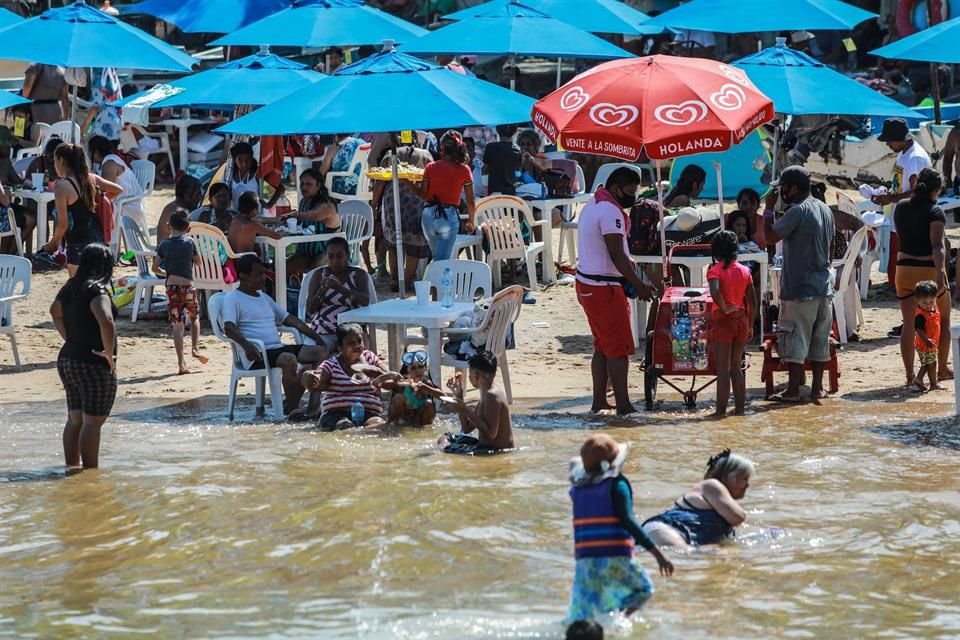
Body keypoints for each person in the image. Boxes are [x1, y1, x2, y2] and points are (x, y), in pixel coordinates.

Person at [566, 434, 674, 623]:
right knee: (644, 590)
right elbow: (628, 521)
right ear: (614, 463)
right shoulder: (617, 484)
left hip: (585, 559)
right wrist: (659, 555)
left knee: (587, 610)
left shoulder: (578, 489)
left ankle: (598, 628)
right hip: (615, 555)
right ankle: (618, 624)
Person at [575, 167, 654, 414]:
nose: (633, 197)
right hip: (603, 288)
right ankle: (624, 405)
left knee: (602, 346)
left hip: (587, 284)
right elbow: (617, 255)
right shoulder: (610, 212)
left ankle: (599, 401)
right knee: (618, 349)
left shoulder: (593, 204)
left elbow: (621, 256)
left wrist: (642, 279)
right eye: (630, 192)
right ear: (617, 188)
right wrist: (639, 285)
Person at [221, 254, 329, 417]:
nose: (263, 278)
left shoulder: (264, 298)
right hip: (257, 353)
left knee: (321, 353)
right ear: (243, 276)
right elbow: (229, 328)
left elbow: (290, 319)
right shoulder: (232, 298)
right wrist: (247, 345)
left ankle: (313, 405)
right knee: (288, 359)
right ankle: (293, 409)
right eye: (258, 274)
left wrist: (316, 337)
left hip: (277, 349)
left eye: (263, 273)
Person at [762, 166, 835, 403]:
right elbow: (832, 247)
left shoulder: (796, 211)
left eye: (783, 188)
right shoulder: (825, 209)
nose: (782, 192)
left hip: (800, 288)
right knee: (819, 340)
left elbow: (770, 238)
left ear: (793, 188)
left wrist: (768, 209)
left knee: (795, 340)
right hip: (824, 287)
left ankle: (793, 390)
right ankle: (817, 389)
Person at [49, 243, 118, 469]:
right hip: (93, 362)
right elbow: (106, 320)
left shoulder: (71, 286)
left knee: (75, 419)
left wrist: (69, 337)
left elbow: (54, 311)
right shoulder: (98, 290)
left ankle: (71, 468)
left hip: (68, 358)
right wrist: (109, 353)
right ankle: (89, 475)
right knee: (93, 423)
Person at [893, 168, 952, 385]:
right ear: (935, 191)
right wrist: (941, 273)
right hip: (927, 268)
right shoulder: (935, 212)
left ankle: (909, 376)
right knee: (943, 320)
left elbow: (902, 235)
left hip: (904, 269)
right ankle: (942, 369)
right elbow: (937, 246)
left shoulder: (900, 207)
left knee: (909, 324)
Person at [872, 117, 933, 316]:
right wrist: (888, 194)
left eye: (890, 140)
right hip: (901, 218)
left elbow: (917, 191)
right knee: (899, 270)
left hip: (912, 221)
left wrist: (891, 198)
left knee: (908, 273)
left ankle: (914, 317)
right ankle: (908, 316)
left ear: (900, 138)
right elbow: (903, 185)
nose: (888, 144)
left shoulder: (914, 158)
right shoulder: (904, 154)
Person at [642, 449, 754, 549]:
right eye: (744, 478)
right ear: (727, 476)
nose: (747, 485)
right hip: (663, 530)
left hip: (664, 533)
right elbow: (738, 517)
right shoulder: (711, 485)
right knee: (693, 555)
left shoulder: (718, 502)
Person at [43, 143, 123, 276]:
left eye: (55, 160)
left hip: (78, 245)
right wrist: (97, 201)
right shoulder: (91, 178)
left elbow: (63, 224)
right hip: (99, 241)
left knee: (78, 289)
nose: (54, 164)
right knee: (96, 288)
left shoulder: (62, 186)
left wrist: (52, 243)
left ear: (61, 160)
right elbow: (118, 190)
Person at [301, 323, 389, 430]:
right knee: (344, 427)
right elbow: (316, 378)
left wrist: (376, 372)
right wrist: (307, 377)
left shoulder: (370, 358)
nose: (357, 345)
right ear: (340, 347)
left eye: (359, 341)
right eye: (351, 343)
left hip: (369, 412)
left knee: (379, 426)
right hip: (336, 414)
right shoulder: (331, 365)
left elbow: (390, 377)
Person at [405, 131, 476, 262]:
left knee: (437, 258)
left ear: (442, 147)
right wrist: (471, 221)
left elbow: (423, 194)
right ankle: (435, 282)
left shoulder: (431, 167)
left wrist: (407, 182)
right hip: (448, 217)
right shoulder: (464, 170)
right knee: (442, 262)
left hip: (428, 216)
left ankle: (431, 282)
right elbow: (470, 201)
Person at [372, 139, 432, 291]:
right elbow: (432, 179)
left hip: (393, 200)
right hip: (416, 201)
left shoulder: (389, 155)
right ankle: (406, 281)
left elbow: (379, 183)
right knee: (414, 245)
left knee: (394, 244)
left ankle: (394, 280)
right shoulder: (425, 155)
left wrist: (374, 205)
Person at [707, 231, 755, 417]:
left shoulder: (715, 270)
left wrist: (724, 308)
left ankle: (720, 412)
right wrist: (750, 324)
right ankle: (740, 410)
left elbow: (714, 291)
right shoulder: (745, 271)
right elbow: (753, 301)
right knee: (736, 367)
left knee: (723, 369)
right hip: (742, 320)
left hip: (724, 320)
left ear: (716, 252)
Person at [153, 211, 206, 375]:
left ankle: (181, 363)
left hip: (171, 287)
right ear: (188, 228)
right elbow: (198, 262)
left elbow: (154, 268)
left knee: (177, 326)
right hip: (188, 286)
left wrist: (167, 273)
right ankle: (195, 348)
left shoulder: (164, 245)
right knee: (194, 317)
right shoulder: (190, 243)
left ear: (169, 226)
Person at [440, 351, 515, 454]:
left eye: (469, 374)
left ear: (475, 375)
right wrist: (459, 396)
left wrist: (465, 409)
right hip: (484, 447)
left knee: (444, 444)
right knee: (446, 437)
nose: (469, 378)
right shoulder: (486, 393)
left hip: (494, 452)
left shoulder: (492, 396)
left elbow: (491, 434)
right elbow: (466, 428)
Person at [304, 236, 372, 348]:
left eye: (339, 256)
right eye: (331, 256)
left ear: (347, 255)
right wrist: (322, 290)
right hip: (323, 331)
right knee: (313, 353)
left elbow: (365, 301)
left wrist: (341, 289)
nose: (335, 261)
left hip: (350, 332)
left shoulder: (358, 275)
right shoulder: (319, 275)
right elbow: (310, 309)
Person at [287, 168, 341, 277]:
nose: (304, 187)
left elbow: (314, 215)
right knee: (283, 268)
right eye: (302, 184)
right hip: (306, 252)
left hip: (329, 252)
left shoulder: (326, 204)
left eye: (308, 184)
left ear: (319, 185)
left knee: (314, 274)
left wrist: (295, 215)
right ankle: (290, 293)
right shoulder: (304, 202)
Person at [88, 135, 146, 232]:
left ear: (96, 152)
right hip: (128, 204)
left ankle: (109, 244)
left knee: (94, 210)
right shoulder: (112, 159)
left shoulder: (109, 163)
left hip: (128, 207)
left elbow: (104, 193)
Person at [383, 350, 443, 426]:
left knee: (429, 404)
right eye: (413, 368)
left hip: (419, 421)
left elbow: (443, 396)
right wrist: (391, 378)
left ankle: (425, 430)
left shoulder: (427, 384)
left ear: (425, 369)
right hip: (401, 421)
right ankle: (391, 426)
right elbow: (381, 384)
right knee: (398, 398)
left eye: (421, 367)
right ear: (407, 371)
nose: (418, 371)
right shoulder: (402, 384)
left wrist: (427, 388)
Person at [226, 141, 284, 211]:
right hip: (237, 217)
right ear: (235, 160)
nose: (244, 164)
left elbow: (279, 187)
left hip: (255, 217)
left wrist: (269, 204)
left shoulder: (257, 175)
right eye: (240, 160)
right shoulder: (230, 175)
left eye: (247, 160)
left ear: (251, 158)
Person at [913, 280, 944, 391]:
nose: (928, 305)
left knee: (928, 363)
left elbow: (940, 289)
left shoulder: (934, 308)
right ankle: (929, 382)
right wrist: (926, 340)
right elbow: (919, 330)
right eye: (924, 303)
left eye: (931, 302)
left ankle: (925, 380)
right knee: (930, 363)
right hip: (925, 344)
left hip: (930, 343)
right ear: (917, 300)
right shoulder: (920, 315)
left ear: (936, 298)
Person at [21, 63, 68, 137]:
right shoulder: (63, 71)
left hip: (36, 110)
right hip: (56, 112)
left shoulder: (34, 66)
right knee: (52, 140)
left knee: (34, 141)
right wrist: (65, 119)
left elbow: (27, 86)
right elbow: (65, 97)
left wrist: (22, 103)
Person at [158, 175, 202, 244]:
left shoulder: (172, 206)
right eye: (197, 194)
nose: (200, 198)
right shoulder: (179, 213)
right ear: (186, 195)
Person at [82, 68, 123, 142]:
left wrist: (84, 126)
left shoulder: (99, 76)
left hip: (105, 124)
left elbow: (95, 106)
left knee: (101, 151)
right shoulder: (111, 75)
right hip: (116, 122)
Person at [320, 133, 364, 198]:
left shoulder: (334, 148)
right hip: (362, 186)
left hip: (342, 188)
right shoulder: (363, 143)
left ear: (335, 135)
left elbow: (322, 171)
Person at [483, 123, 522, 196]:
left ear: (497, 130)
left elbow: (484, 169)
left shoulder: (490, 147)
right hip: (511, 193)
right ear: (515, 131)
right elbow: (518, 171)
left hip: (493, 192)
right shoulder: (518, 150)